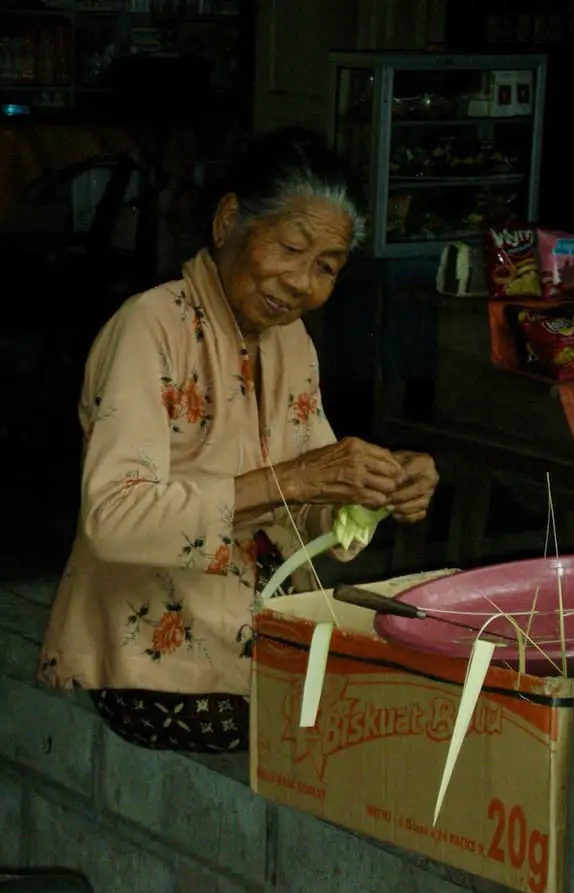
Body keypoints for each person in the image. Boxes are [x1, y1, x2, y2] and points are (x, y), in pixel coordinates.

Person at [38, 128, 439, 753]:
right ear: (229, 222)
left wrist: (371, 492)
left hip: (265, 641)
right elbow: (112, 517)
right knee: (363, 730)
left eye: (326, 267)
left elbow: (312, 514)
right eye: (290, 247)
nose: (304, 282)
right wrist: (300, 478)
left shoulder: (292, 343)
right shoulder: (152, 326)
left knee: (412, 702)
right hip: (160, 673)